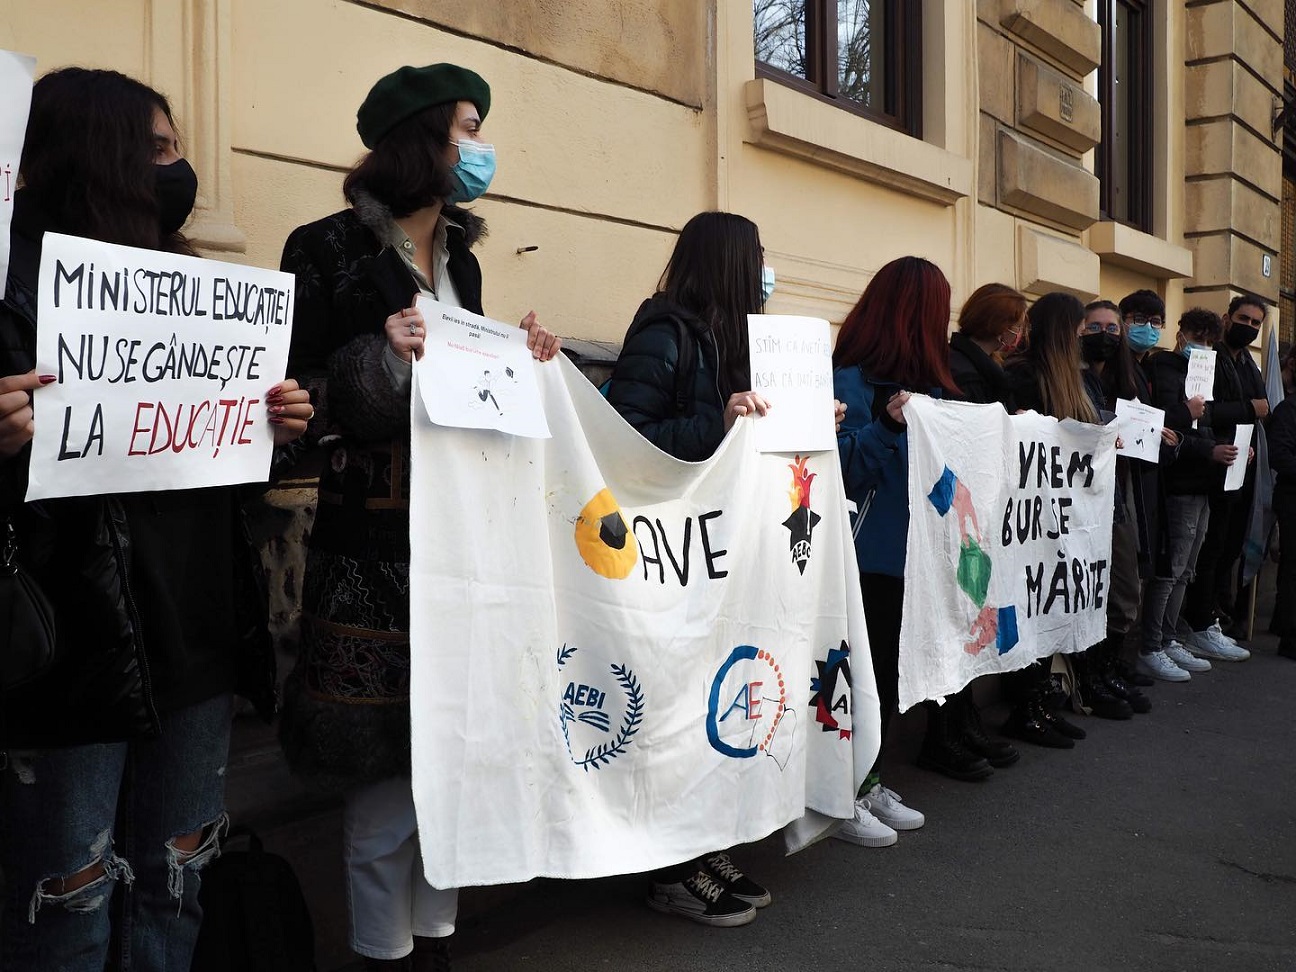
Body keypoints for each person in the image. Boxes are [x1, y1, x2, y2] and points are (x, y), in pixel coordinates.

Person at [0, 68, 310, 971]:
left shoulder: (193, 289)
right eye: (165, 151)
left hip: (196, 643)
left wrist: (273, 428)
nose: (184, 173)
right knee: (68, 905)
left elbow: (228, 484)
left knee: (175, 891)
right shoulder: (11, 293)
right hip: (74, 658)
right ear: (98, 157)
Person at [277, 64, 560, 971]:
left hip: (463, 543)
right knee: (378, 769)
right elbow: (292, 403)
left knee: (456, 749)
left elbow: (471, 390)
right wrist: (380, 359)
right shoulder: (323, 249)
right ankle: (377, 950)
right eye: (467, 129)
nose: (480, 148)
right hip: (370, 551)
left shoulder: (464, 261)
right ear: (420, 140)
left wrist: (524, 360)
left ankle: (434, 939)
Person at [605, 211, 782, 928]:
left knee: (710, 704)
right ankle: (671, 870)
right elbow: (626, 436)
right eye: (759, 257)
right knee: (674, 711)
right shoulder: (667, 333)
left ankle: (701, 847)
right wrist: (720, 424)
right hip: (668, 560)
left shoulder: (729, 342)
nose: (767, 271)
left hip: (716, 560)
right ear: (732, 264)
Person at [833, 256, 965, 844]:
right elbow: (841, 469)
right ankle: (844, 793)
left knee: (885, 673)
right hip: (865, 555)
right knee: (861, 674)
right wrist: (887, 427)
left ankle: (868, 778)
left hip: (912, 555)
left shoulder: (931, 389)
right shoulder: (850, 381)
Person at [918, 283, 1027, 775]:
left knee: (971, 619)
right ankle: (945, 734)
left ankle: (964, 726)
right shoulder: (963, 369)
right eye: (1017, 323)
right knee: (958, 619)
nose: (1020, 333)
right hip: (960, 518)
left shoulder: (981, 368)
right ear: (1004, 328)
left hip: (974, 517)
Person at [1076, 300, 1168, 715]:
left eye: (1113, 328)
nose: (1107, 335)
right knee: (1097, 590)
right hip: (1088, 497)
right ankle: (1093, 677)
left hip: (1120, 490)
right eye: (1096, 327)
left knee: (1122, 586)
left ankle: (1109, 668)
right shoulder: (1075, 377)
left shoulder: (1124, 376)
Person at [1140, 308, 1240, 682]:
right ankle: (1153, 644)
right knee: (1170, 569)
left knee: (1187, 568)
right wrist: (1205, 447)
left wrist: (1224, 447)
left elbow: (1204, 423)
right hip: (1179, 483)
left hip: (1201, 482)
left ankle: (1168, 637)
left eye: (1210, 339)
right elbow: (1167, 424)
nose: (1203, 345)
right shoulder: (1164, 366)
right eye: (1197, 336)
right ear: (1181, 334)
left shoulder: (1203, 371)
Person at [1175, 298, 1259, 663]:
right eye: (1244, 318)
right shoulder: (1211, 358)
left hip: (1239, 461)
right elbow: (1204, 409)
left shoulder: (1248, 361)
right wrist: (1248, 409)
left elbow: (1264, 404)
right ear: (1228, 319)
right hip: (1209, 464)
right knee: (1206, 551)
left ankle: (1210, 617)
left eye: (1257, 322)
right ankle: (1197, 623)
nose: (1250, 326)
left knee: (1227, 545)